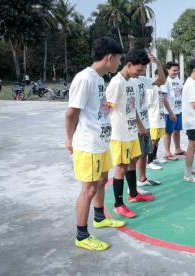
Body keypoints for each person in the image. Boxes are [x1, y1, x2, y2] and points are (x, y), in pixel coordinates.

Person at [65, 37, 125, 251]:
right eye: (118, 60)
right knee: (88, 189)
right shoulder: (85, 78)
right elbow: (71, 113)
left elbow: (97, 109)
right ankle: (82, 236)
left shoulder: (99, 79)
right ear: (109, 57)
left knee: (102, 179)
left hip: (101, 142)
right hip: (88, 143)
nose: (119, 64)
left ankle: (99, 217)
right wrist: (69, 139)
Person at [106, 49, 155, 219]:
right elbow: (106, 109)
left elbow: (132, 107)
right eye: (139, 70)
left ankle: (133, 194)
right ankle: (118, 205)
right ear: (128, 65)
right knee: (120, 168)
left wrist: (141, 126)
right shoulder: (116, 83)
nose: (140, 73)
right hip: (119, 134)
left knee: (132, 162)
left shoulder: (130, 82)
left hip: (132, 132)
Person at [133, 52, 165, 190]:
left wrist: (158, 64)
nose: (145, 69)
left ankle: (142, 179)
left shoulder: (142, 79)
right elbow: (129, 107)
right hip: (136, 126)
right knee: (133, 158)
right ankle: (132, 187)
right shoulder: (128, 81)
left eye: (146, 67)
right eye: (143, 67)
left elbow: (161, 81)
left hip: (145, 123)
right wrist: (140, 126)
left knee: (144, 153)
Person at [146, 68, 169, 170]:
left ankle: (154, 157)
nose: (164, 79)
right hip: (153, 120)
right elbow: (147, 105)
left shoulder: (160, 88)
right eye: (163, 77)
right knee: (153, 140)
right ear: (156, 76)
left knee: (158, 139)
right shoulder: (151, 88)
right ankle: (149, 161)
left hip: (160, 118)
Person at [163, 62, 185, 159]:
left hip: (178, 110)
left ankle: (178, 149)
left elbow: (181, 92)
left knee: (177, 130)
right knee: (168, 132)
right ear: (168, 70)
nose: (176, 72)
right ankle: (167, 153)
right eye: (174, 70)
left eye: (177, 70)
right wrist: (171, 113)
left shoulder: (178, 80)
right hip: (169, 112)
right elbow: (163, 99)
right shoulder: (165, 81)